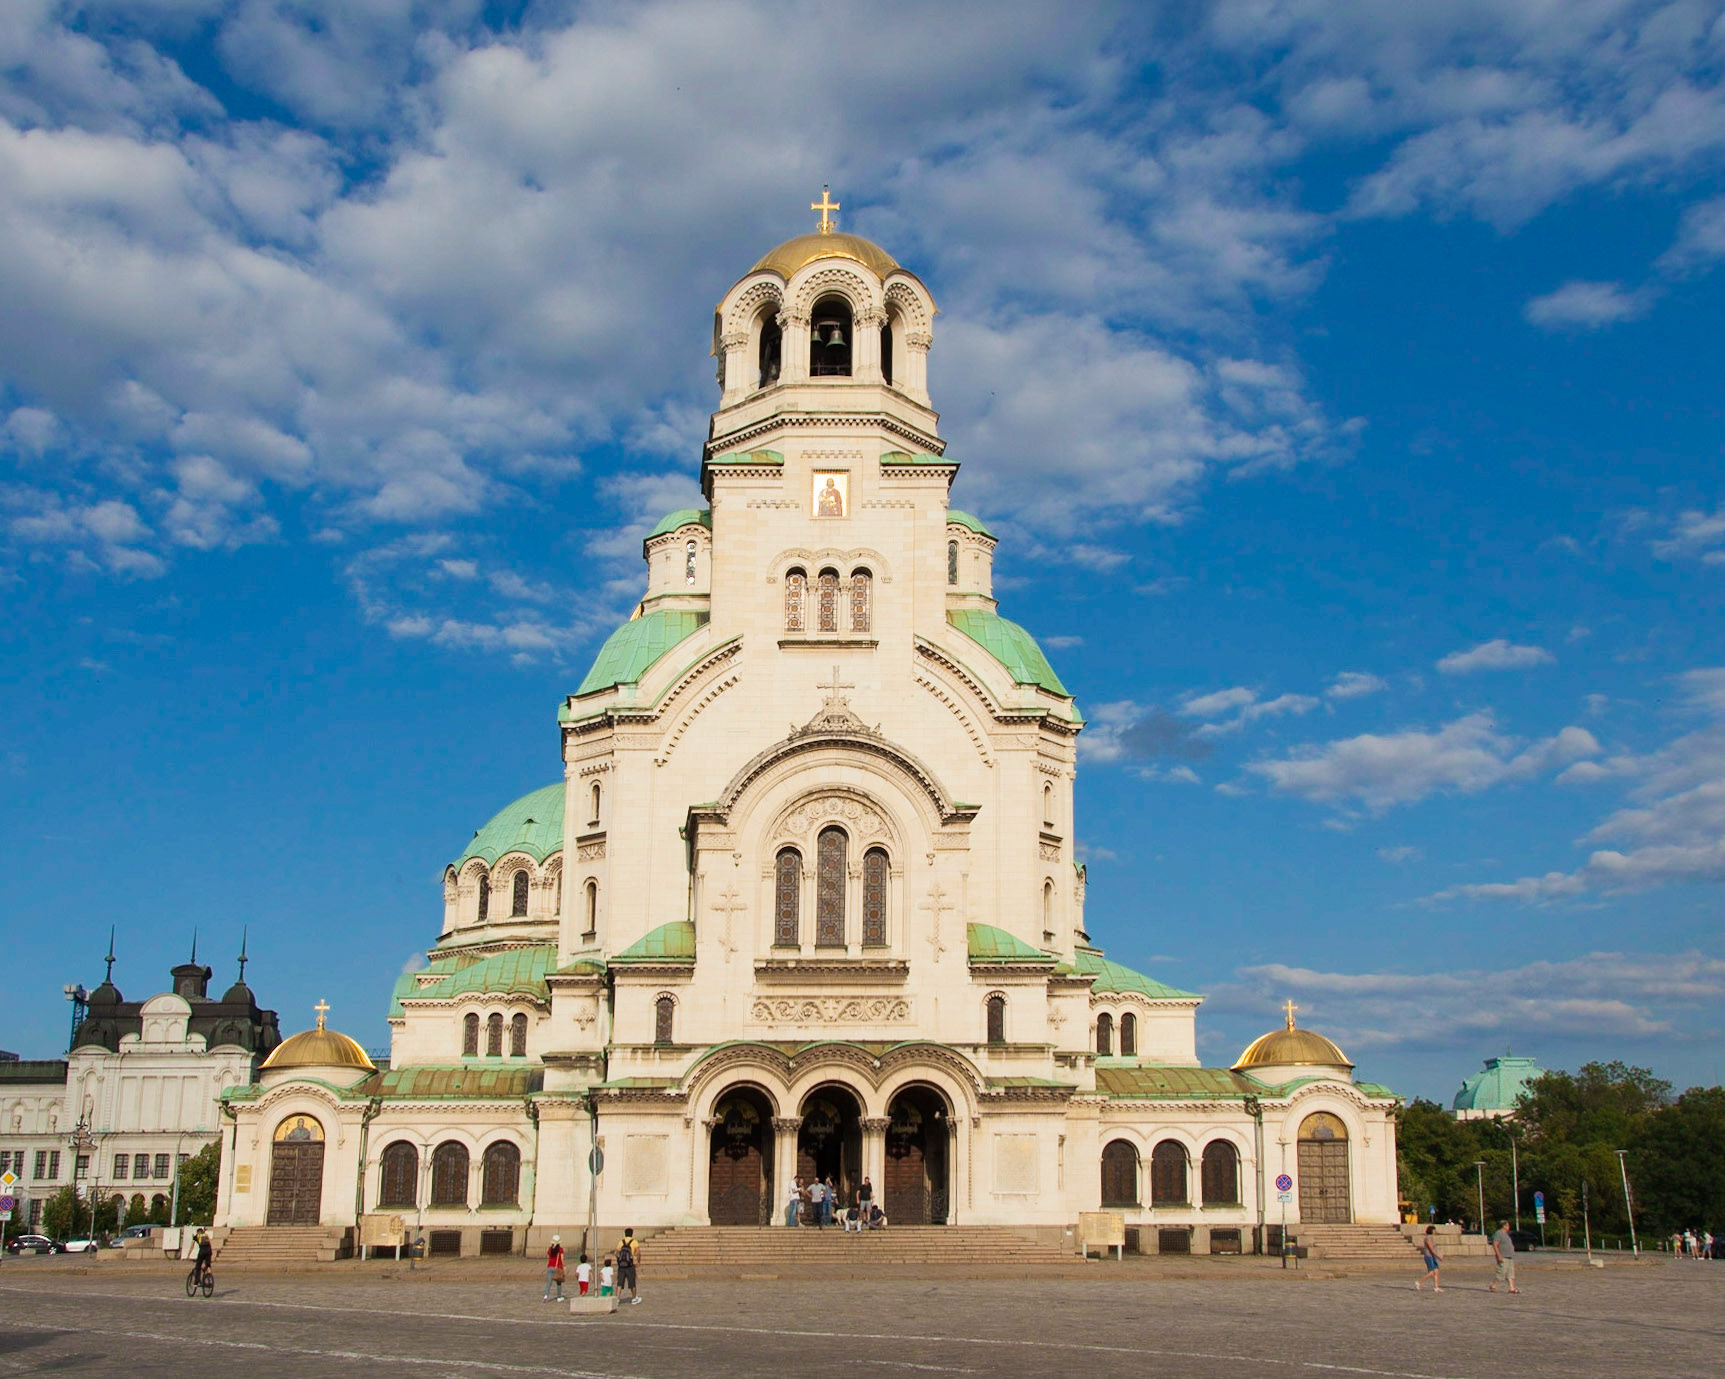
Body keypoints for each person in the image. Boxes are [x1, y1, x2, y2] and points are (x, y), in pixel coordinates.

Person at [1489, 1221, 1519, 1294]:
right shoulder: (1499, 1233)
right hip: (1503, 1256)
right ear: (1504, 1226)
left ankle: (1511, 1288)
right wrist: (1499, 1255)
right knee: (1501, 1272)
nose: (1509, 1226)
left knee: (1510, 1273)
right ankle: (1493, 1285)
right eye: (1508, 1225)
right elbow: (1495, 1244)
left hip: (1509, 1256)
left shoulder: (1506, 1234)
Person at [615, 1228, 640, 1305]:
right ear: (632, 1234)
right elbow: (638, 1253)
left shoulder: (621, 1242)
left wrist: (619, 1260)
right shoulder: (634, 1242)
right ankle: (634, 1298)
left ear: (625, 1233)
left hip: (621, 1266)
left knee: (620, 1283)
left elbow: (616, 1253)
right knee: (632, 1282)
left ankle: (617, 1298)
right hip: (630, 1265)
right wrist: (638, 1261)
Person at [1413, 1225, 1442, 1292]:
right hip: (1429, 1256)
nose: (1435, 1231)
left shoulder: (1431, 1238)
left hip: (1433, 1256)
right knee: (1431, 1273)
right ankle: (1419, 1282)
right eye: (1434, 1230)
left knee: (1436, 1271)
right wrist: (1438, 1256)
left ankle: (1436, 1287)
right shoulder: (1428, 1238)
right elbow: (1431, 1249)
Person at [544, 1234, 566, 1302]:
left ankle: (546, 1295)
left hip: (550, 1267)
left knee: (548, 1283)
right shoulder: (560, 1249)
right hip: (557, 1267)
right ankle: (559, 1297)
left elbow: (549, 1257)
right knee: (559, 1282)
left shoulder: (549, 1249)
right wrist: (564, 1267)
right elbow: (562, 1259)